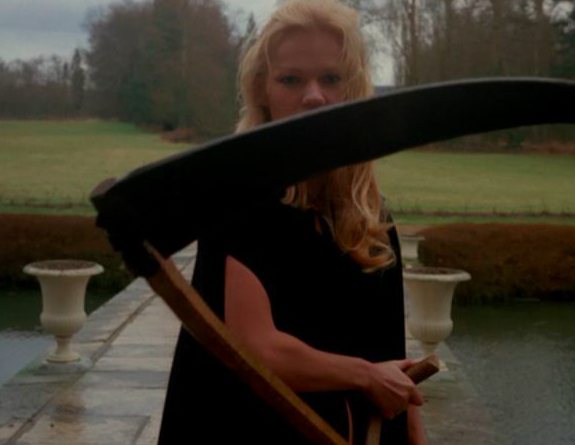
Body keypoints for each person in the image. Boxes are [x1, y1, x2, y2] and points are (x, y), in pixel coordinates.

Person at [158, 0, 427, 444]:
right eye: (291, 79)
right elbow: (257, 348)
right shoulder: (238, 203)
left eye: (331, 79)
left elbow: (395, 370)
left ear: (352, 88)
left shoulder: (370, 215)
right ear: (262, 90)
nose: (314, 96)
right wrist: (364, 375)